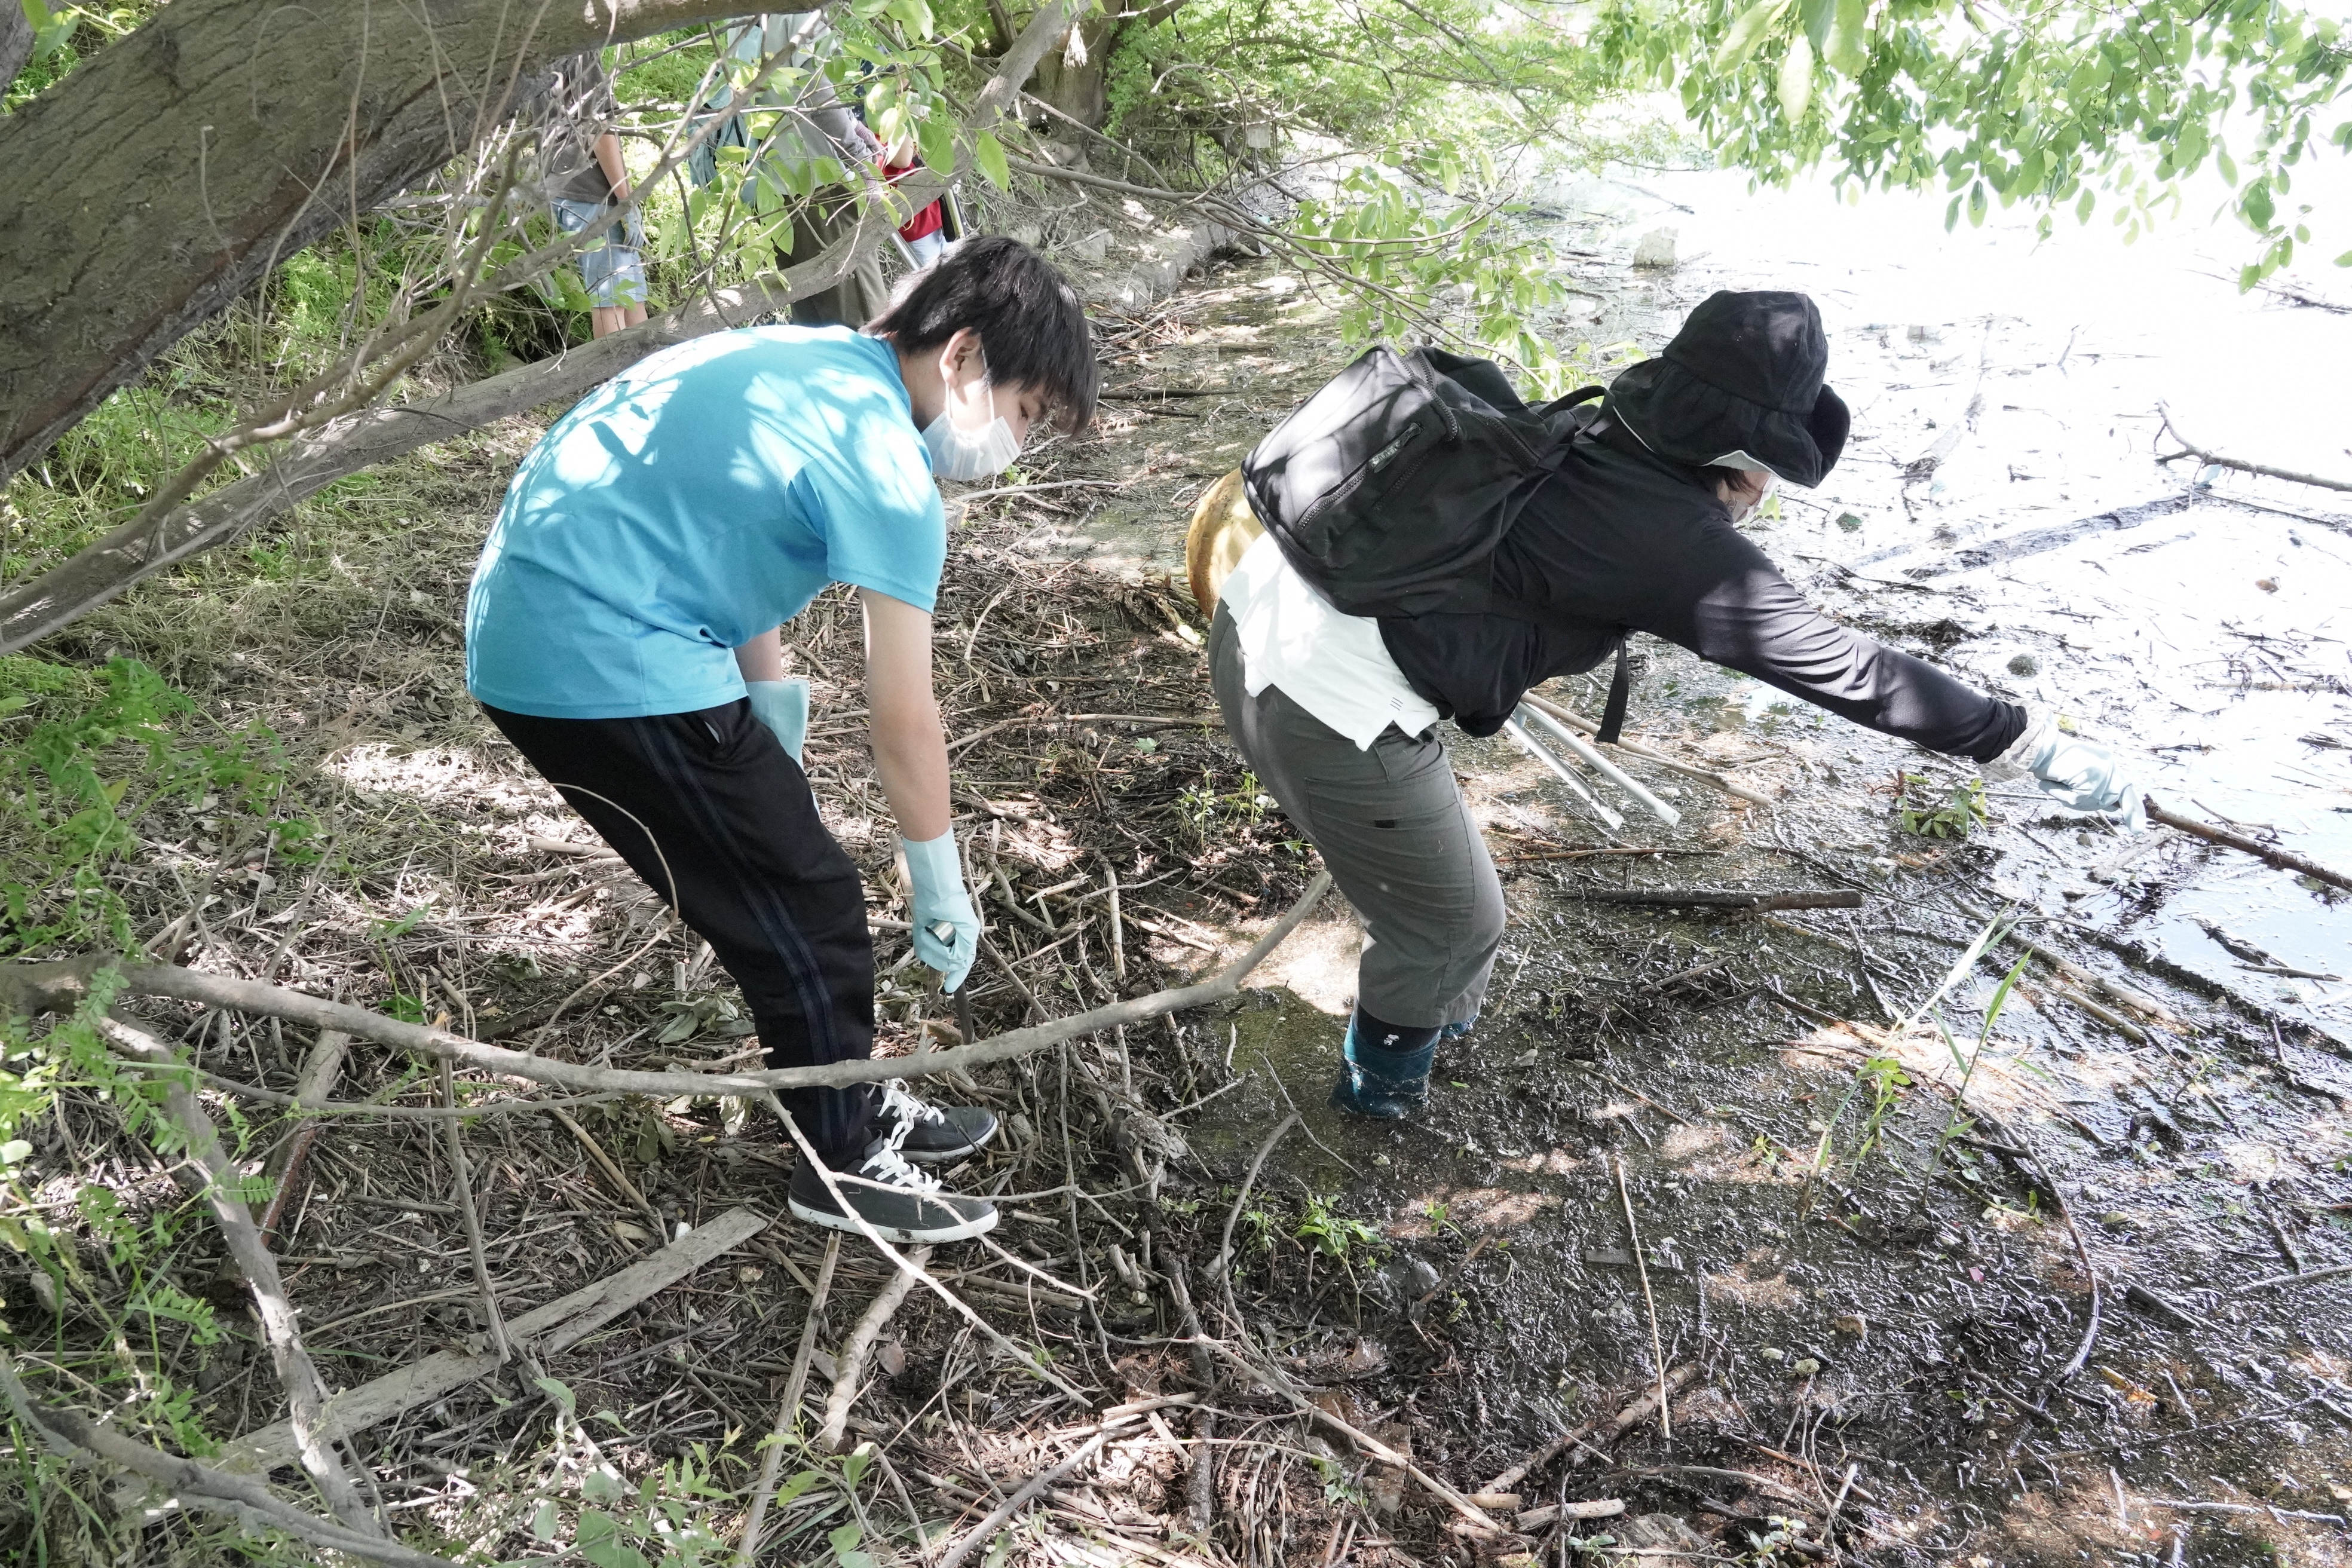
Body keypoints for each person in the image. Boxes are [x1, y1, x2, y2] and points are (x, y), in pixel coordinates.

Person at [1193, 290, 2140, 1120]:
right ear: (1740, 456)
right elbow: (1847, 668)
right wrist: (2025, 745)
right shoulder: (1671, 542)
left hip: (1252, 616)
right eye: (1773, 468)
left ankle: (1433, 1028)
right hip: (1321, 701)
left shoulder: (1603, 430)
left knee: (1450, 918)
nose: (1769, 491)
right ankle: (1376, 1108)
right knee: (1455, 927)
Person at [464, 238, 1098, 1240]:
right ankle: (840, 1165)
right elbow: (906, 716)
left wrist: (767, 705)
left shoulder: (803, 363)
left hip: (564, 617)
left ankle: (848, 1095)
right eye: (1024, 414)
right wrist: (938, 876)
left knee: (781, 883)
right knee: (807, 901)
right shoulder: (891, 466)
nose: (1014, 444)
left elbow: (714, 525)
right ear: (966, 356)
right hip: (593, 656)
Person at [540, 51, 649, 340]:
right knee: (611, 300)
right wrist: (627, 201)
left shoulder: (541, 44)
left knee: (632, 297)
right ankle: (615, 382)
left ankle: (646, 377)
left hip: (567, 185)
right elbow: (599, 132)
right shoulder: (579, 52)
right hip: (591, 193)